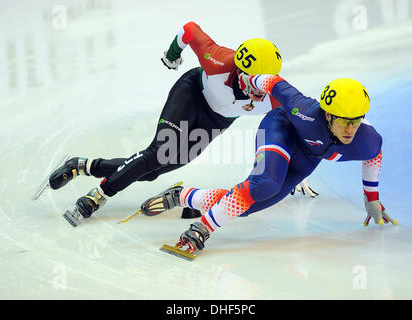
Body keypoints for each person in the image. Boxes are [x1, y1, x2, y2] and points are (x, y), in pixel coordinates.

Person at [45, 22, 316, 226]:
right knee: (158, 153)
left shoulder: (273, 96)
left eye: (266, 82)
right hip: (191, 93)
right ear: (240, 70)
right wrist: (172, 55)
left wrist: (292, 170)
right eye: (255, 81)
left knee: (153, 170)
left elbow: (299, 126)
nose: (260, 90)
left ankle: (83, 165)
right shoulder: (218, 59)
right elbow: (189, 29)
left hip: (216, 120)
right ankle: (99, 194)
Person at [140, 74, 398, 256]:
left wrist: (371, 199)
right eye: (344, 121)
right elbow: (274, 82)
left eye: (356, 120)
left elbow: (374, 157)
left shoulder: (367, 141)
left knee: (247, 207)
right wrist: (248, 81)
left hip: (306, 160)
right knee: (264, 184)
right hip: (280, 129)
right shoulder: (305, 110)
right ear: (328, 114)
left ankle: (183, 196)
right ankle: (202, 228)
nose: (350, 129)